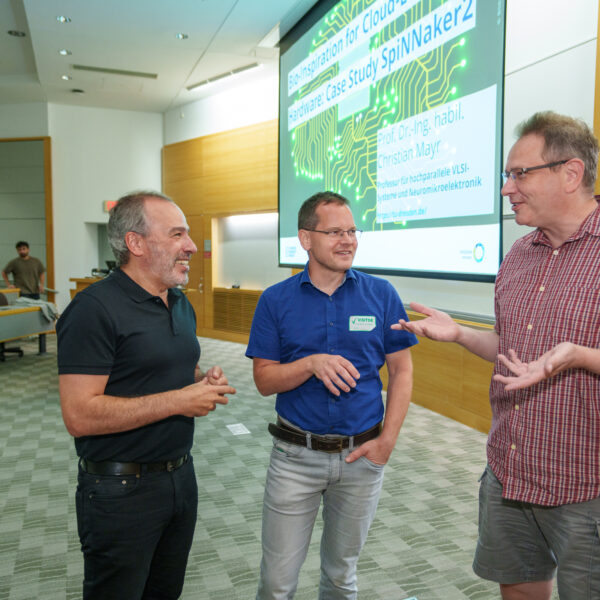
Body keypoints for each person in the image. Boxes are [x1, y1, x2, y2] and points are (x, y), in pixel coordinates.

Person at [394, 112, 600, 600]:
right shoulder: (518, 255)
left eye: (519, 174)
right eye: (507, 176)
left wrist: (580, 356)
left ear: (571, 174)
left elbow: (565, 357)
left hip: (587, 485)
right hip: (510, 470)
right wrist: (462, 334)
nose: (508, 188)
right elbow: (511, 352)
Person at [57, 191, 236, 600]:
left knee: (164, 592)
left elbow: (157, 368)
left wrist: (198, 379)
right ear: (136, 244)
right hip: (119, 491)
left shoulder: (178, 301)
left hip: (179, 478)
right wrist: (180, 401)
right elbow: (80, 414)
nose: (191, 246)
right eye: (177, 234)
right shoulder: (93, 310)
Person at [246, 191, 417, 599]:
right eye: (335, 232)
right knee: (277, 583)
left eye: (353, 231)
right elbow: (264, 380)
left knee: (341, 577)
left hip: (362, 459)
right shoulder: (275, 301)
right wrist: (310, 364)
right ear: (306, 239)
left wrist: (387, 441)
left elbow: (402, 370)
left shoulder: (381, 294)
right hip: (294, 459)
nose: (348, 241)